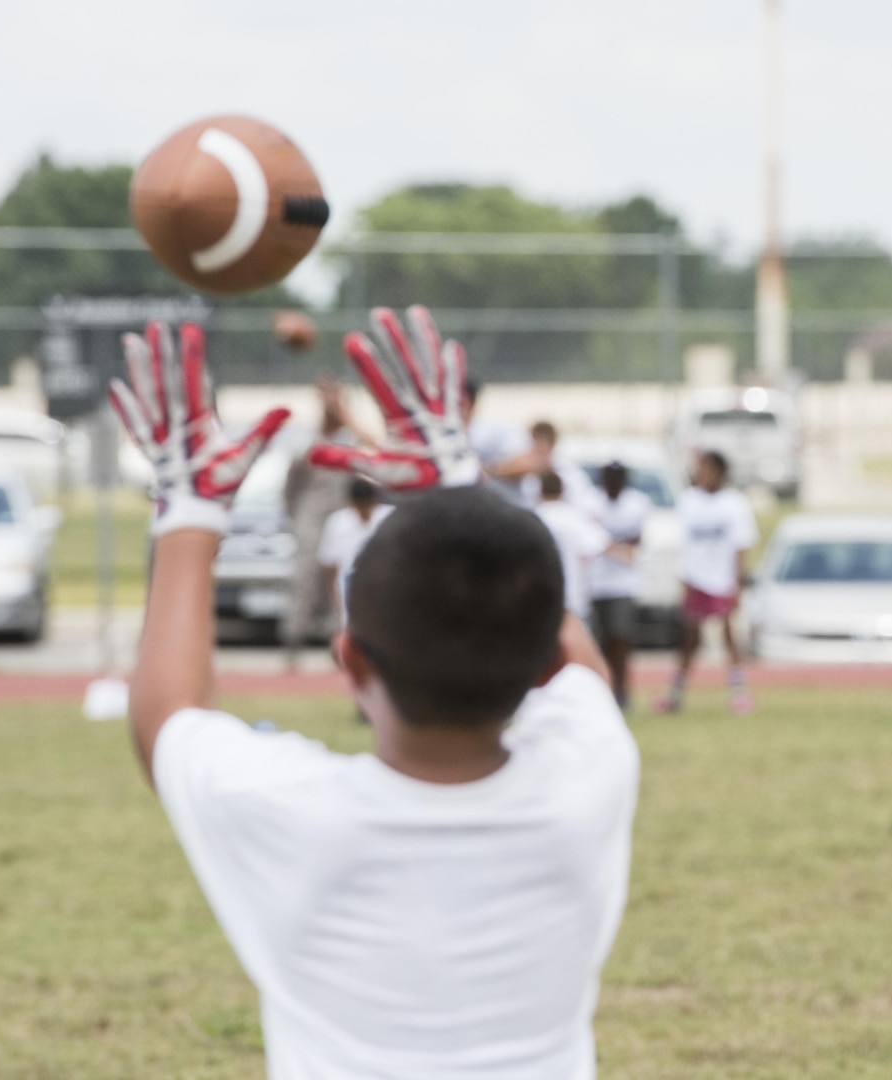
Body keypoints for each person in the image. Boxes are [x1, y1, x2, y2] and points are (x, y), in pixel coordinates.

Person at [110, 308, 639, 1080]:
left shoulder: (291, 808)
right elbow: (578, 665)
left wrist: (188, 510)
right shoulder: (589, 775)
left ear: (350, 661)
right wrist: (461, 483)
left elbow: (166, 716)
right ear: (537, 670)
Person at [656, 450, 757, 716]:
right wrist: (684, 580)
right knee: (689, 639)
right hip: (696, 578)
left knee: (729, 636)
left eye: (707, 469)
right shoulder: (689, 501)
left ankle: (739, 694)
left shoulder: (734, 503)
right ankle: (675, 694)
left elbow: (741, 545)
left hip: (722, 580)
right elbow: (683, 544)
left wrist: (737, 582)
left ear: (720, 472)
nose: (701, 474)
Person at [282, 380, 366, 664]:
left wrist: (345, 415)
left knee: (343, 582)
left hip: (343, 520)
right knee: (305, 580)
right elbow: (290, 488)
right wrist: (297, 517)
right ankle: (294, 642)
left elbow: (372, 454)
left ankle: (340, 643)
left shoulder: (352, 442)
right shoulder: (307, 443)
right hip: (312, 519)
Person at [587, 461, 652, 710]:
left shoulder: (636, 503)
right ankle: (603, 692)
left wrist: (609, 545)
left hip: (624, 584)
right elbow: (593, 539)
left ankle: (622, 692)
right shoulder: (591, 500)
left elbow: (636, 542)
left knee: (621, 638)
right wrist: (617, 548)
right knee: (600, 641)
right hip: (596, 583)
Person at [534, 469, 611, 626]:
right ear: (563, 491)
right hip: (573, 600)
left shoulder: (531, 518)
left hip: (539, 600)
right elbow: (599, 545)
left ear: (540, 491)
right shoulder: (575, 519)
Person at [316, 475, 393, 619]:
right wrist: (336, 602)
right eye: (359, 506)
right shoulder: (338, 522)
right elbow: (330, 565)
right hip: (350, 581)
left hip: (383, 581)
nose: (363, 511)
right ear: (352, 503)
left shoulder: (388, 517)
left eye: (367, 505)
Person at [459, 376, 534, 505]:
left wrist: (486, 470)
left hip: (506, 511)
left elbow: (526, 464)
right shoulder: (438, 434)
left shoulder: (496, 429)